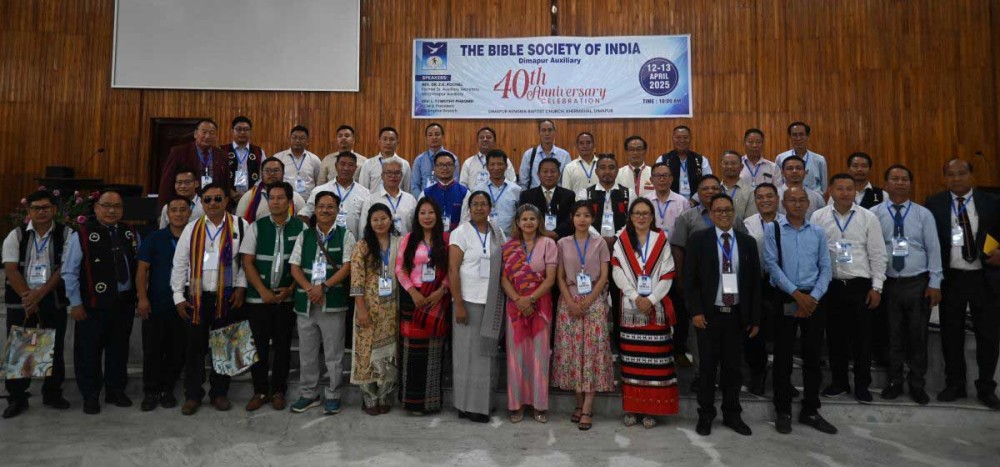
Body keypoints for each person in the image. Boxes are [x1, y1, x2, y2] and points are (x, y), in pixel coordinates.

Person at [925, 159, 1000, 409]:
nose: (956, 178)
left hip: (984, 278)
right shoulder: (934, 204)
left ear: (972, 175)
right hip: (952, 278)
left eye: (961, 173)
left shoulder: (992, 202)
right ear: (944, 177)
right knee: (951, 335)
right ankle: (954, 384)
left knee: (988, 336)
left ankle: (986, 387)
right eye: (951, 174)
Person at [170, 183, 250, 415]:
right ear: (201, 203)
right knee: (194, 349)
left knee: (225, 345)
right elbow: (180, 263)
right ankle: (193, 395)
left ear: (226, 200)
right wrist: (177, 295)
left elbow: (246, 261)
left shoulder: (241, 225)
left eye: (217, 198)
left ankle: (219, 393)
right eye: (207, 200)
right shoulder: (192, 228)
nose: (212, 203)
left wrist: (241, 287)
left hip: (228, 295)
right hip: (196, 295)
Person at [686, 193, 761, 436]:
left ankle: (732, 414)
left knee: (733, 369)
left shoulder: (747, 242)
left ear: (734, 212)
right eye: (718, 210)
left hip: (737, 316)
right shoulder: (699, 240)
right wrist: (695, 311)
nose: (724, 214)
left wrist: (754, 317)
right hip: (708, 315)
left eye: (728, 210)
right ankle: (706, 415)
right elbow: (690, 280)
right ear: (710, 213)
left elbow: (754, 284)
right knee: (707, 369)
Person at [763, 187, 835, 435]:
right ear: (784, 203)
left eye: (801, 200)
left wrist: (812, 298)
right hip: (786, 296)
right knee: (782, 358)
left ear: (808, 203)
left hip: (814, 298)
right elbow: (772, 265)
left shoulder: (817, 232)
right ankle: (783, 410)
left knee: (813, 357)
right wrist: (796, 295)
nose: (796, 204)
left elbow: (826, 268)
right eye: (791, 200)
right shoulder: (773, 229)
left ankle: (811, 410)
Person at [62, 189, 140, 414]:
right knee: (88, 352)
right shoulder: (82, 234)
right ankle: (91, 395)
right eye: (106, 206)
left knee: (119, 350)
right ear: (96, 209)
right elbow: (69, 272)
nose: (111, 210)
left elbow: (139, 267)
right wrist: (75, 303)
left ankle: (116, 391)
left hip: (123, 304)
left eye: (116, 206)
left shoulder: (130, 232)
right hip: (91, 305)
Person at [811, 173, 887, 404]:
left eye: (849, 189)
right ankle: (839, 382)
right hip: (831, 286)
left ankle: (862, 385)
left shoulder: (868, 217)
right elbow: (814, 252)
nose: (845, 193)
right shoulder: (818, 216)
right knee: (835, 339)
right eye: (840, 188)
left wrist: (877, 287)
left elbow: (877, 253)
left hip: (860, 286)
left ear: (856, 191)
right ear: (830, 192)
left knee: (862, 340)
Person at [875, 165, 942, 405]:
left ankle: (917, 383)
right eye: (895, 178)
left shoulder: (924, 214)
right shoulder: (874, 213)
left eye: (904, 179)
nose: (900, 183)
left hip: (917, 282)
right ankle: (894, 381)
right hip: (889, 283)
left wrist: (935, 282)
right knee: (892, 335)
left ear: (910, 184)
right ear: (886, 184)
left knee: (917, 336)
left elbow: (934, 249)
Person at [2, 190, 73, 418]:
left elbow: (64, 268)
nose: (41, 212)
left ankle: (52, 393)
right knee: (22, 349)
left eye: (45, 207)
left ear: (54, 210)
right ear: (29, 211)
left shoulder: (67, 233)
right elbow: (11, 269)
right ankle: (17, 397)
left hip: (51, 299)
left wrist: (39, 295)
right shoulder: (17, 235)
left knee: (54, 348)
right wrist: (27, 296)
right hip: (21, 301)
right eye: (36, 208)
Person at [611, 198, 679, 429]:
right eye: (637, 213)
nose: (641, 217)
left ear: (652, 217)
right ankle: (632, 407)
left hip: (655, 309)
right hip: (632, 308)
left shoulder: (662, 240)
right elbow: (617, 271)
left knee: (655, 362)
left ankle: (652, 410)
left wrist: (650, 299)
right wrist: (635, 296)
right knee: (631, 361)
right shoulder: (621, 241)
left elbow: (668, 273)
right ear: (630, 217)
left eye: (645, 213)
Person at [238, 182, 304, 411]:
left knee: (283, 347)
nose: (275, 202)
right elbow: (247, 262)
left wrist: (291, 289)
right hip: (258, 300)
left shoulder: (301, 229)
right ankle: (260, 391)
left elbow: (304, 264)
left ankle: (278, 391)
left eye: (280, 198)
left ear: (289, 201)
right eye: (272, 198)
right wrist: (263, 291)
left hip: (286, 300)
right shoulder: (256, 227)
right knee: (259, 347)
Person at [288, 191, 354, 415]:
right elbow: (294, 266)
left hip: (332, 303)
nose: (325, 210)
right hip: (306, 303)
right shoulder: (304, 236)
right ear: (314, 210)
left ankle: (333, 394)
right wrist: (309, 288)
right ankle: (309, 393)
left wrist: (323, 287)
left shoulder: (346, 235)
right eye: (321, 206)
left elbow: (347, 267)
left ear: (338, 210)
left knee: (334, 354)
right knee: (307, 352)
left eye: (330, 207)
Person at [552, 201, 614, 431]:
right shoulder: (562, 243)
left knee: (592, 354)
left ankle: (588, 407)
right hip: (569, 303)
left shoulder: (600, 243)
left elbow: (604, 275)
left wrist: (589, 300)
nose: (582, 219)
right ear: (572, 217)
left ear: (592, 219)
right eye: (577, 215)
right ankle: (578, 403)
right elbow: (558, 276)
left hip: (593, 303)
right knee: (573, 353)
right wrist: (569, 300)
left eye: (586, 215)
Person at [449, 191, 506, 423]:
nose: (480, 208)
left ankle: (482, 407)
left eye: (484, 204)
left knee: (486, 356)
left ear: (490, 207)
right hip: (468, 302)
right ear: (469, 208)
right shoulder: (460, 233)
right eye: (475, 204)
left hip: (492, 302)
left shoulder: (497, 232)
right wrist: (459, 303)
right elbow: (453, 270)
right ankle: (464, 405)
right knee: (465, 355)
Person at [499, 204, 558, 423]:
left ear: (539, 221)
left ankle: (539, 405)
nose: (528, 223)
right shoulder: (509, 246)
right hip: (515, 308)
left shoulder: (548, 244)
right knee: (516, 358)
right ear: (517, 223)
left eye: (532, 218)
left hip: (540, 307)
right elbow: (504, 278)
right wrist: (518, 300)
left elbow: (551, 279)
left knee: (539, 357)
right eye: (524, 219)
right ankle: (516, 405)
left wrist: (530, 299)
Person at [135, 195, 192, 412]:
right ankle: (150, 391)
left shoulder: (195, 237)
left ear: (190, 213)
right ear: (167, 215)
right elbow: (142, 270)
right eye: (174, 210)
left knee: (177, 350)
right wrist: (142, 298)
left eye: (183, 210)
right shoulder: (155, 238)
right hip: (156, 303)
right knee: (152, 350)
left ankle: (167, 389)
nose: (178, 214)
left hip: (184, 305)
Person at [395, 198, 451, 414]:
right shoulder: (408, 239)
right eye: (422, 213)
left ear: (437, 216)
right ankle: (411, 402)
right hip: (413, 299)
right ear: (417, 217)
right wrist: (413, 292)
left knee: (435, 352)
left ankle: (431, 401)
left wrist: (441, 290)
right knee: (411, 353)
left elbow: (452, 270)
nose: (427, 217)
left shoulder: (446, 240)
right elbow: (400, 270)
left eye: (431, 213)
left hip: (437, 299)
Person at [670, 175, 728, 373]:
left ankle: (724, 372)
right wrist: (680, 280)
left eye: (715, 188)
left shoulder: (731, 217)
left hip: (727, 283)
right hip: (699, 283)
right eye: (705, 189)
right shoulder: (687, 217)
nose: (710, 192)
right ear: (698, 192)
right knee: (698, 332)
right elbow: (678, 249)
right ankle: (702, 374)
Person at [350, 204, 402, 415]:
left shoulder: (399, 243)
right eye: (375, 220)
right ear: (369, 223)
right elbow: (356, 280)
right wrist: (361, 308)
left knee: (389, 352)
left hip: (392, 307)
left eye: (383, 218)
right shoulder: (362, 246)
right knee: (365, 351)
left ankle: (384, 394)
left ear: (391, 220)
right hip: (367, 307)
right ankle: (368, 396)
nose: (380, 223)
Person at [742, 183, 785, 396]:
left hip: (783, 285)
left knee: (783, 333)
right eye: (760, 197)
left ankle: (781, 378)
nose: (765, 200)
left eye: (769, 196)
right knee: (755, 333)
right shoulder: (747, 224)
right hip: (757, 283)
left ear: (777, 199)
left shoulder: (787, 223)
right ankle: (757, 375)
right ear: (755, 200)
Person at [158, 119, 230, 207]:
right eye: (204, 132)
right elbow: (167, 182)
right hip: (185, 205)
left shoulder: (222, 155)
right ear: (195, 134)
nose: (207, 136)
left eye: (211, 133)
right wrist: (162, 209)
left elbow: (226, 185)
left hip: (213, 205)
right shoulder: (178, 152)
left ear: (216, 136)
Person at [304, 151, 370, 239]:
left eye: (350, 165)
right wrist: (312, 234)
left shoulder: (365, 193)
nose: (346, 168)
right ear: (336, 166)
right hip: (324, 243)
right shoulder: (320, 190)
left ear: (355, 168)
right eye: (342, 164)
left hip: (354, 244)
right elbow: (305, 214)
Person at [461, 149, 521, 237]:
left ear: (506, 166)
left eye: (500, 164)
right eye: (492, 164)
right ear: (487, 167)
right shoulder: (477, 190)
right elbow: (468, 216)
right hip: (482, 238)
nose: (496, 168)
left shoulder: (516, 190)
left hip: (508, 239)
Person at [577, 154, 633, 243]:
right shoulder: (585, 194)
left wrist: (616, 238)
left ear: (617, 171)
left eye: (611, 168)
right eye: (602, 168)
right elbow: (582, 219)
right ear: (596, 171)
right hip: (592, 242)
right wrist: (599, 239)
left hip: (622, 242)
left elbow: (632, 220)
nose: (607, 171)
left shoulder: (629, 193)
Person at [235, 157, 307, 221]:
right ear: (261, 173)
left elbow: (303, 221)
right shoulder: (249, 196)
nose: (272, 174)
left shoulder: (295, 197)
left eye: (276, 170)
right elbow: (239, 223)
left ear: (283, 173)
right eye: (268, 170)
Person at [520, 158, 576, 239]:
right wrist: (542, 233)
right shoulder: (527, 195)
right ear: (538, 174)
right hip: (535, 239)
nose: (549, 175)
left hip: (562, 239)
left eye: (553, 171)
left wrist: (556, 233)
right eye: (545, 171)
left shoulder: (568, 195)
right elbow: (523, 218)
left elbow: (571, 219)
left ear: (559, 175)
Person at [359, 158, 418, 235]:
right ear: (382, 176)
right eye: (389, 172)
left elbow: (416, 227)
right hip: (378, 245)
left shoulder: (410, 200)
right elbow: (363, 228)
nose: (393, 176)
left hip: (405, 245)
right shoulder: (371, 200)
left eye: (397, 173)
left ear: (401, 176)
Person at [655, 125, 712, 201]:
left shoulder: (701, 160)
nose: (682, 140)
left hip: (697, 203)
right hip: (670, 202)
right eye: (678, 137)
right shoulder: (663, 159)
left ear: (690, 139)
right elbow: (658, 182)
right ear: (673, 139)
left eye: (685, 137)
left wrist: (695, 200)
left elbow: (708, 183)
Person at [420, 151, 468, 232]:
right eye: (441, 165)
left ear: (455, 168)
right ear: (434, 169)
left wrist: (455, 237)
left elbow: (465, 221)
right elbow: (421, 218)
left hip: (458, 239)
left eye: (449, 164)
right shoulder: (426, 193)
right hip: (432, 237)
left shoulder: (464, 192)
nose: (445, 168)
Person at [775, 122, 829, 193]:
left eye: (801, 134)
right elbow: (779, 183)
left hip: (813, 200)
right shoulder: (781, 158)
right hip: (788, 199)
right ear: (790, 137)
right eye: (794, 135)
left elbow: (824, 185)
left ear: (807, 136)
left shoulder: (819, 160)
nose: (798, 138)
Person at [519, 119, 571, 191]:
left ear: (554, 132)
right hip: (534, 197)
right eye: (543, 130)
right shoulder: (529, 154)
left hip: (557, 197)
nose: (547, 133)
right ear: (539, 133)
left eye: (550, 130)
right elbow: (523, 182)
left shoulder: (564, 155)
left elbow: (566, 182)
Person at [411, 123, 460, 196]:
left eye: (437, 134)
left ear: (443, 137)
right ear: (426, 138)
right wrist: (423, 200)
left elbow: (454, 183)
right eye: (430, 135)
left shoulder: (452, 158)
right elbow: (414, 185)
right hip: (424, 201)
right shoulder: (419, 160)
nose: (434, 137)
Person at [357, 126, 412, 192]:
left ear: (397, 142)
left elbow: (407, 190)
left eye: (391, 139)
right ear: (379, 142)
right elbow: (363, 189)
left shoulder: (404, 164)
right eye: (385, 139)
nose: (388, 142)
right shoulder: (368, 163)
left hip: (396, 201)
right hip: (374, 202)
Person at [273, 125, 322, 197]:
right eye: (294, 137)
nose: (297, 141)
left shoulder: (314, 159)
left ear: (307, 141)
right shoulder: (278, 158)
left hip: (307, 201)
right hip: (285, 200)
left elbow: (319, 182)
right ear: (290, 139)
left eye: (302, 138)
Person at [225, 116, 266, 198]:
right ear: (232, 131)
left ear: (250, 132)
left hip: (252, 197)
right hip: (227, 197)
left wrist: (250, 193)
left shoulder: (259, 152)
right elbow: (219, 175)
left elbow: (264, 176)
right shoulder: (222, 150)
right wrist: (230, 192)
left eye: (246, 129)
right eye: (239, 129)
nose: (242, 132)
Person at [642, 162, 689, 235]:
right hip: (650, 244)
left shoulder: (682, 202)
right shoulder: (644, 201)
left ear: (671, 179)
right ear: (651, 180)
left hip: (674, 245)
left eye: (665, 175)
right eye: (657, 176)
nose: (661, 179)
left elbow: (687, 228)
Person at [720, 150, 757, 219]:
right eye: (726, 163)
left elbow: (751, 221)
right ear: (721, 165)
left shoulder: (751, 191)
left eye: (733, 163)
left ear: (741, 167)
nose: (730, 166)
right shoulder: (715, 189)